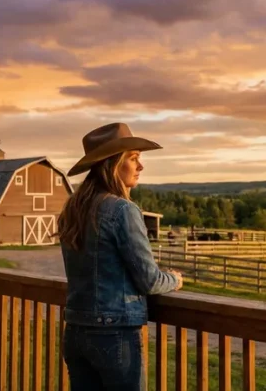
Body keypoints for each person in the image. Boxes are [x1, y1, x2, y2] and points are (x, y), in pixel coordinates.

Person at [58, 122, 183, 391]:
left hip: (76, 329)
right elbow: (149, 280)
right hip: (113, 333)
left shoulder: (73, 208)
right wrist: (174, 279)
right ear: (113, 163)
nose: (141, 167)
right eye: (134, 158)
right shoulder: (122, 210)